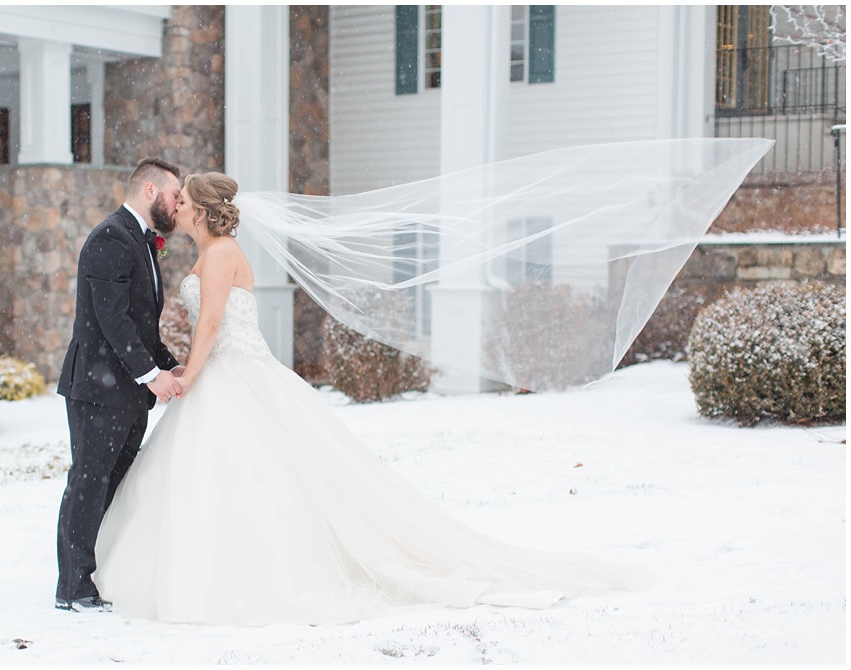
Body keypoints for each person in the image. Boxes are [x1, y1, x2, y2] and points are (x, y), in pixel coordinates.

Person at [92, 172, 643, 625]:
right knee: (232, 476)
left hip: (233, 372)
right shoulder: (212, 253)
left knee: (249, 476)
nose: (177, 206)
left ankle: (249, 574)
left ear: (205, 211)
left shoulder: (219, 257)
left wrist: (188, 373)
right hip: (230, 373)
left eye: (184, 200)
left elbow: (211, 321)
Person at [54, 157, 187, 611]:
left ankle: (99, 572)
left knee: (114, 484)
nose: (178, 202)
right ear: (150, 191)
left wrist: (172, 367)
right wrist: (152, 377)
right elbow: (112, 319)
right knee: (89, 484)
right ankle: (72, 587)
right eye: (174, 194)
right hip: (98, 389)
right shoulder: (110, 236)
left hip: (128, 391)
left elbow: (141, 325)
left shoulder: (145, 243)